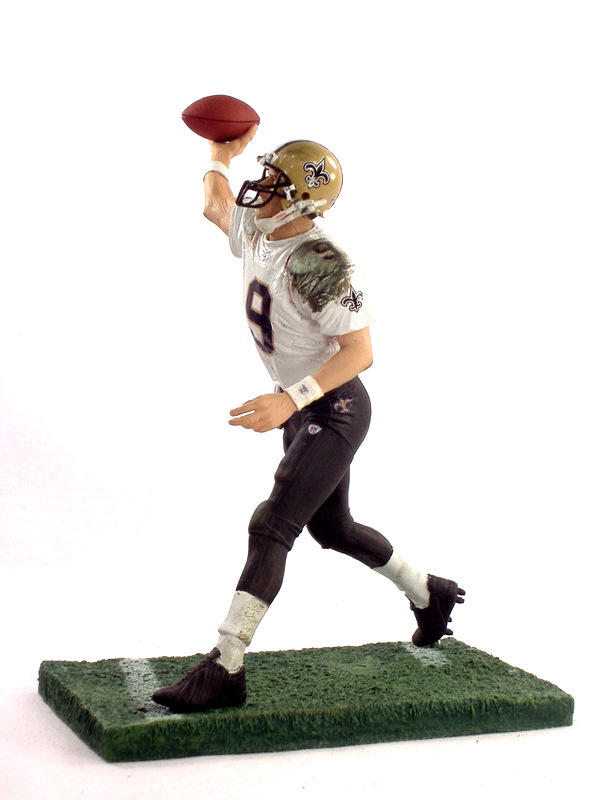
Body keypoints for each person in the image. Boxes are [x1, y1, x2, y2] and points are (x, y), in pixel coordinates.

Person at [152, 126, 465, 713]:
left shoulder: (320, 262)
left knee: (272, 523)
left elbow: (360, 352)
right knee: (333, 529)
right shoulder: (261, 229)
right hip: (303, 406)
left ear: (302, 202)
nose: (259, 189)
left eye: (274, 183)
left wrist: (291, 399)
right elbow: (215, 206)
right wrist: (219, 154)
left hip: (334, 408)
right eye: (265, 176)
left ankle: (226, 663)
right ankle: (430, 593)